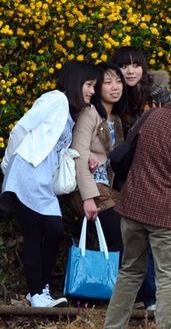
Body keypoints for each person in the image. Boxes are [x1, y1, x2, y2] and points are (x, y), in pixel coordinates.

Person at [104, 75, 171, 329]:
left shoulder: (151, 117)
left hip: (133, 206)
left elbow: (127, 148)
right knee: (168, 279)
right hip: (167, 214)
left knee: (130, 271)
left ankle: (112, 326)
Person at [1, 61, 99, 307]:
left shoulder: (70, 111)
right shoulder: (56, 99)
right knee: (36, 234)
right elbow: (21, 129)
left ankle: (39, 290)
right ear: (76, 83)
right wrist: (7, 165)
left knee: (54, 231)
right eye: (89, 85)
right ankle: (37, 294)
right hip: (27, 172)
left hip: (43, 180)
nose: (92, 91)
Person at [70, 62, 126, 252]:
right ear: (98, 86)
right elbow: (78, 154)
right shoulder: (89, 114)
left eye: (118, 81)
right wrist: (88, 198)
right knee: (121, 242)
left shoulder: (116, 120)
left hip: (106, 190)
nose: (115, 86)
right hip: (91, 190)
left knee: (125, 242)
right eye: (108, 82)